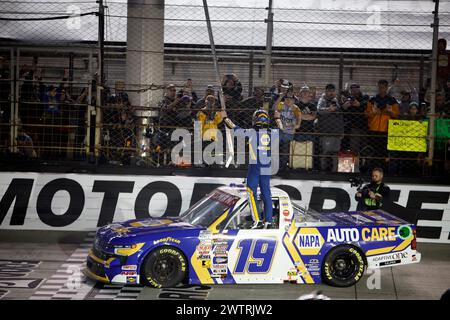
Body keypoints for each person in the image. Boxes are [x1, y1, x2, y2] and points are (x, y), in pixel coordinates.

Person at [221, 108, 282, 229]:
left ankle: (257, 220)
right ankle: (268, 221)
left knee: (251, 192)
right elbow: (282, 129)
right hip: (267, 166)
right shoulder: (274, 133)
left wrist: (225, 118)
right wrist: (278, 118)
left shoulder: (251, 132)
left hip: (255, 165)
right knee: (266, 194)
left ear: (255, 120)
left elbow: (235, 129)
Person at [365, 79, 400, 170]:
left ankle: (383, 170)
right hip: (373, 129)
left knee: (384, 152)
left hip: (386, 130)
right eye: (380, 87)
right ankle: (372, 170)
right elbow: (366, 114)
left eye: (383, 87)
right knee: (373, 152)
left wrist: (390, 112)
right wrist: (373, 113)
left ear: (386, 88)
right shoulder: (372, 100)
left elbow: (396, 115)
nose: (381, 89)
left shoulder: (392, 101)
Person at [317, 83, 344, 172]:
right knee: (325, 152)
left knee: (335, 153)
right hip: (326, 131)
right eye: (329, 91)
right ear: (326, 91)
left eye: (332, 91)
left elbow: (341, 117)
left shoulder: (337, 100)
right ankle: (323, 170)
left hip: (337, 132)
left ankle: (335, 171)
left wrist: (341, 132)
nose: (331, 93)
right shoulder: (322, 100)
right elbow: (319, 110)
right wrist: (329, 109)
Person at [272, 89, 301, 170]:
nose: (288, 100)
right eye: (286, 98)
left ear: (294, 100)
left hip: (289, 132)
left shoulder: (296, 109)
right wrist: (280, 96)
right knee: (274, 146)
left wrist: (290, 125)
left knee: (285, 148)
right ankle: (274, 164)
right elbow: (274, 108)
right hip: (279, 131)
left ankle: (283, 166)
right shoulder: (281, 105)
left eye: (290, 99)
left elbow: (298, 125)